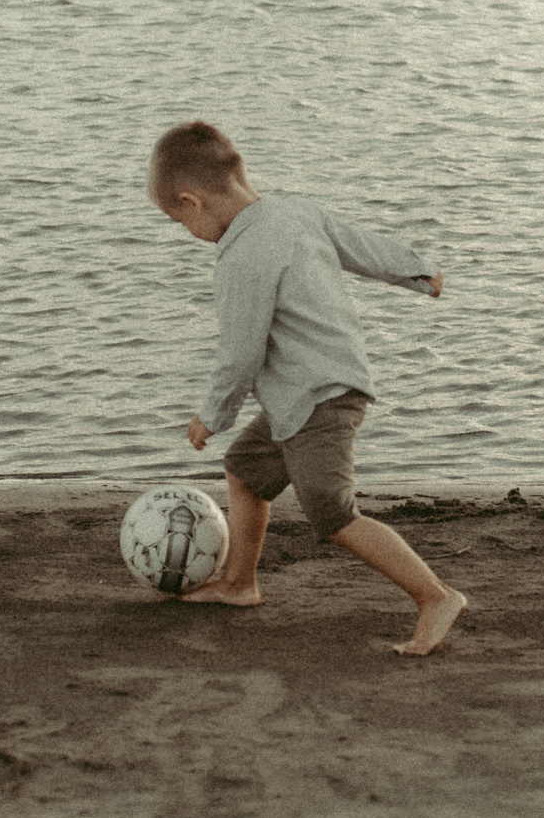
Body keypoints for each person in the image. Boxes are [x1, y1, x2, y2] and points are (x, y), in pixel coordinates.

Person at [149, 122, 468, 655]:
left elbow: (241, 354)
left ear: (191, 201)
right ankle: (239, 583)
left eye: (178, 221)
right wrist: (417, 270)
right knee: (246, 470)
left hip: (318, 396)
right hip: (310, 391)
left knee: (332, 513)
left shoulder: (242, 256)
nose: (186, 230)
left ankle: (435, 597)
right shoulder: (294, 210)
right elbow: (358, 244)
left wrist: (213, 415)